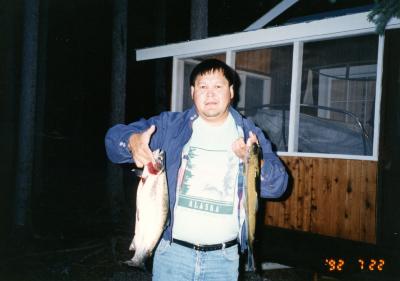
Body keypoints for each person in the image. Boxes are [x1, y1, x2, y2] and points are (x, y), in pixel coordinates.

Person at [105, 59, 288, 281]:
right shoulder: (170, 126)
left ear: (231, 91)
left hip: (223, 259)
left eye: (218, 86)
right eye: (203, 87)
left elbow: (279, 187)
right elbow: (113, 141)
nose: (210, 94)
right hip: (172, 254)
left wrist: (254, 161)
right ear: (192, 92)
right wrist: (133, 142)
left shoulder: (250, 134)